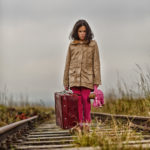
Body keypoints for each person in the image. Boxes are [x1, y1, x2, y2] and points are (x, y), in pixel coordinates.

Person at [63, 19, 102, 133]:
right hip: (74, 79)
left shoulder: (93, 44)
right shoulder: (72, 45)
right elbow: (67, 63)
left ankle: (86, 125)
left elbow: (96, 63)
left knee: (85, 102)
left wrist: (96, 82)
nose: (82, 33)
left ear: (88, 32)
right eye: (80, 31)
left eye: (84, 31)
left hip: (87, 79)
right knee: (76, 103)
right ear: (76, 32)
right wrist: (66, 82)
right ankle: (78, 125)